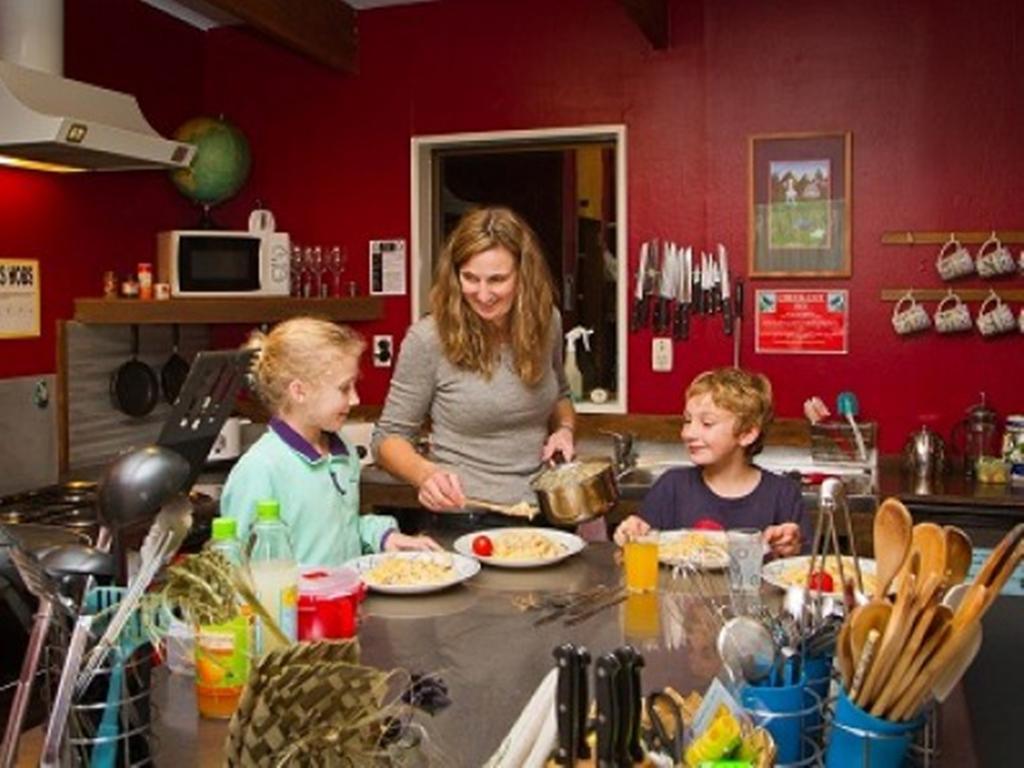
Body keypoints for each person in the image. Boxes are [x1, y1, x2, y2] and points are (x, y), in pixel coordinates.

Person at [371, 206, 575, 517]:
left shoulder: (547, 323)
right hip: (465, 515)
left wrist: (565, 430)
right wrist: (425, 474)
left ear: (524, 275)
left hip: (544, 511)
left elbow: (559, 395)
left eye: (497, 279)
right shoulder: (429, 338)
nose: (482, 294)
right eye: (469, 278)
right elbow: (388, 438)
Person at [220, 317, 439, 567]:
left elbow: (341, 528)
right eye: (344, 388)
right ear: (299, 391)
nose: (355, 399)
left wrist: (384, 537)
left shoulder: (342, 450)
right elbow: (234, 567)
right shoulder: (261, 469)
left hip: (345, 600)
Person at [613, 367, 807, 558]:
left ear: (747, 434)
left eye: (707, 423)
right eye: (688, 421)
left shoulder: (784, 494)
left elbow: (805, 569)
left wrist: (791, 548)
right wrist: (630, 535)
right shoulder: (671, 487)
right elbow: (637, 554)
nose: (687, 433)